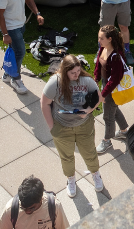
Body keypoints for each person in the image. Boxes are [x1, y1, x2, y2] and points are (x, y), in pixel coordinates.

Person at [41, 55, 104, 196]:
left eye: (78, 71)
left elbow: (99, 97)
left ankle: (96, 174)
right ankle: (70, 179)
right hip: (61, 127)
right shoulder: (55, 82)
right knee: (66, 157)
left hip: (84, 126)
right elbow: (44, 103)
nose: (77, 75)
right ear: (64, 71)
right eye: (73, 73)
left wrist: (88, 110)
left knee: (89, 153)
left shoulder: (86, 80)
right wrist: (52, 127)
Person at [0, 0, 44, 95]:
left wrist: (37, 13)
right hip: (11, 28)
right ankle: (15, 79)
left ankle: (7, 74)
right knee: (20, 52)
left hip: (21, 24)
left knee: (14, 51)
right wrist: (5, 34)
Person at [93, 25, 129, 154]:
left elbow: (115, 80)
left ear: (109, 39)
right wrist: (96, 79)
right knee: (113, 109)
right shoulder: (104, 47)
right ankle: (124, 131)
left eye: (101, 38)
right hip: (106, 84)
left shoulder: (116, 57)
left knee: (107, 116)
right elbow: (98, 64)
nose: (99, 40)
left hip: (112, 89)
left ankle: (107, 141)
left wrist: (103, 94)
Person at [0, 176, 70, 229]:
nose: (27, 211)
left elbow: (63, 227)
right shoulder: (11, 209)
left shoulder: (53, 206)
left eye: (31, 208)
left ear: (41, 199)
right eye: (23, 207)